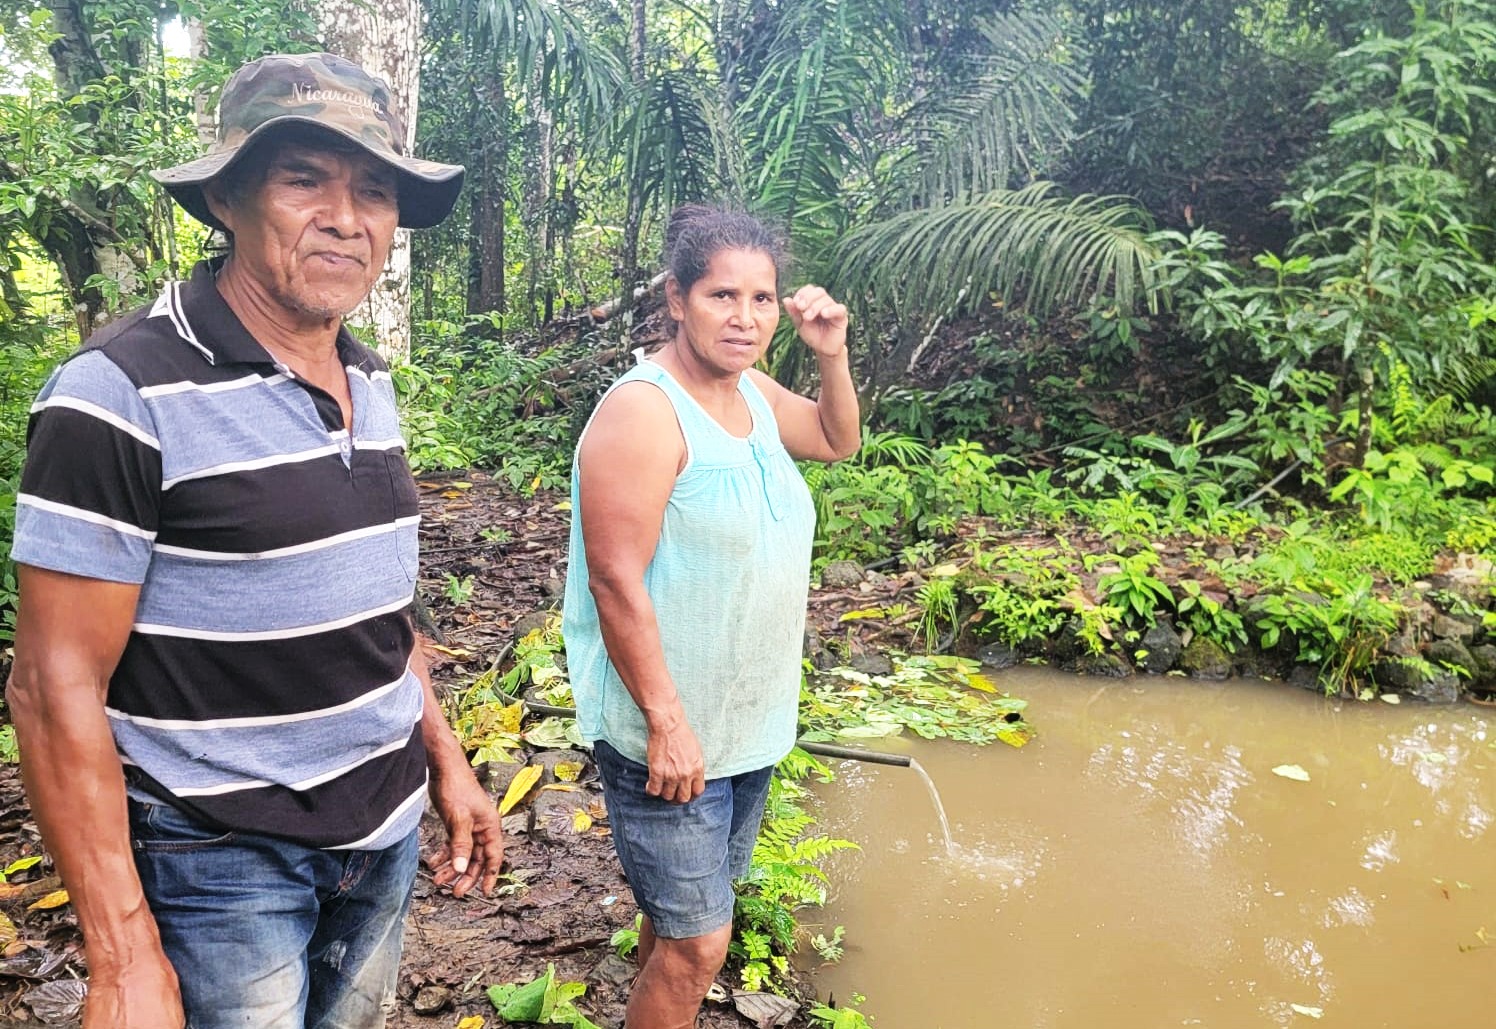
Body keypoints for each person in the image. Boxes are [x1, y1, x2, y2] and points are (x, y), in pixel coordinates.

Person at [5, 53, 503, 1029]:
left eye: (373, 191)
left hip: (384, 829)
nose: (346, 217)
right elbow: (50, 686)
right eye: (303, 179)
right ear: (229, 198)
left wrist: (444, 760)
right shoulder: (118, 394)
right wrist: (122, 954)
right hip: (220, 855)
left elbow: (376, 607)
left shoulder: (371, 385)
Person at [562, 204, 860, 1029]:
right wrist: (667, 722)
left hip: (744, 725)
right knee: (700, 947)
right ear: (677, 299)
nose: (745, 316)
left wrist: (830, 356)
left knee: (681, 922)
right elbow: (615, 578)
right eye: (722, 295)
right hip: (675, 733)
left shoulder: (755, 396)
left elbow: (837, 439)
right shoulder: (645, 412)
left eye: (762, 298)